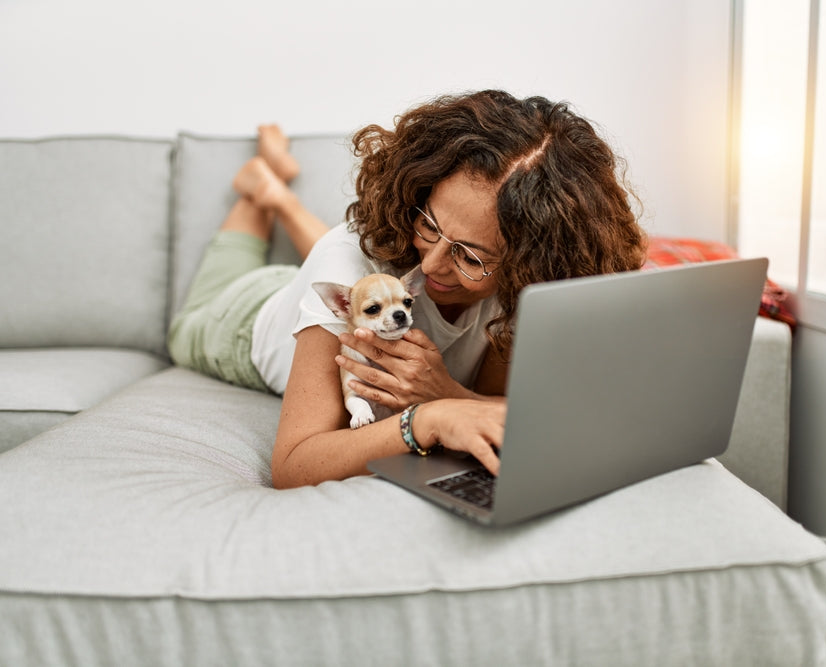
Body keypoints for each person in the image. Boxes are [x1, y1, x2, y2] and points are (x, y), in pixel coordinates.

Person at [167, 90, 647, 489]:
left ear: (530, 264)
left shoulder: (524, 287)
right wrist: (429, 418)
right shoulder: (350, 261)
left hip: (353, 289)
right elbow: (294, 463)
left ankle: (278, 193)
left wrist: (448, 394)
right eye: (430, 225)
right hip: (237, 318)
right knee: (272, 271)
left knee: (362, 269)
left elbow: (492, 407)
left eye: (472, 257)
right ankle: (264, 190)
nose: (432, 264)